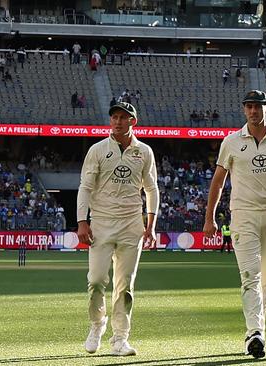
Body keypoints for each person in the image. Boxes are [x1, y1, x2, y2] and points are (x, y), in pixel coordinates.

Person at [203, 90, 266, 359]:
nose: (253, 111)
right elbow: (218, 181)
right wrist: (209, 216)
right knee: (250, 276)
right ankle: (254, 332)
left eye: (258, 106)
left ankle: (258, 331)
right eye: (249, 106)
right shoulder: (232, 142)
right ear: (244, 110)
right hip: (243, 215)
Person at [77, 101, 159, 356]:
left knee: (125, 286)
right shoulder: (98, 150)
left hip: (131, 225)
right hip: (101, 224)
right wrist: (82, 221)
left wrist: (150, 224)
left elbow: (152, 189)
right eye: (114, 116)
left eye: (123, 117)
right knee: (96, 281)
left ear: (133, 121)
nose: (118, 121)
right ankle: (97, 325)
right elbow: (85, 187)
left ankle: (120, 339)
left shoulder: (144, 151)